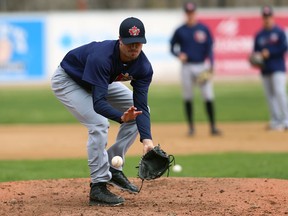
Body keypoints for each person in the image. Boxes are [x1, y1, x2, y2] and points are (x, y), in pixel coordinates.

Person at [51, 17, 155, 206]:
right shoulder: (102, 57)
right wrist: (121, 117)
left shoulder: (144, 67)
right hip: (69, 80)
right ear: (120, 40)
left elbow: (140, 106)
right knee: (99, 124)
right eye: (130, 43)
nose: (134, 48)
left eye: (138, 43)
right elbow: (98, 104)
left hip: (98, 82)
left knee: (140, 112)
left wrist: (147, 140)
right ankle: (98, 187)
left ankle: (112, 168)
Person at [170, 2, 221, 136]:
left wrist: (212, 64)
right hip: (186, 67)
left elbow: (210, 48)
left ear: (195, 13)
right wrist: (177, 54)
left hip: (202, 66)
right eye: (188, 13)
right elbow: (171, 46)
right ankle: (191, 128)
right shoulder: (180, 30)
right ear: (185, 14)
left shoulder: (203, 29)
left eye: (192, 12)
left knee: (208, 96)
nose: (190, 15)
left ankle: (213, 126)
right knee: (188, 97)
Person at [252, 6, 288, 130]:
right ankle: (275, 121)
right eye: (265, 17)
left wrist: (270, 52)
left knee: (280, 92)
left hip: (278, 67)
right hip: (265, 69)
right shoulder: (259, 35)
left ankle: (286, 120)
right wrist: (254, 58)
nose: (267, 19)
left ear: (273, 17)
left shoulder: (279, 32)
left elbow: (284, 48)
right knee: (269, 96)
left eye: (269, 16)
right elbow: (255, 52)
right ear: (262, 18)